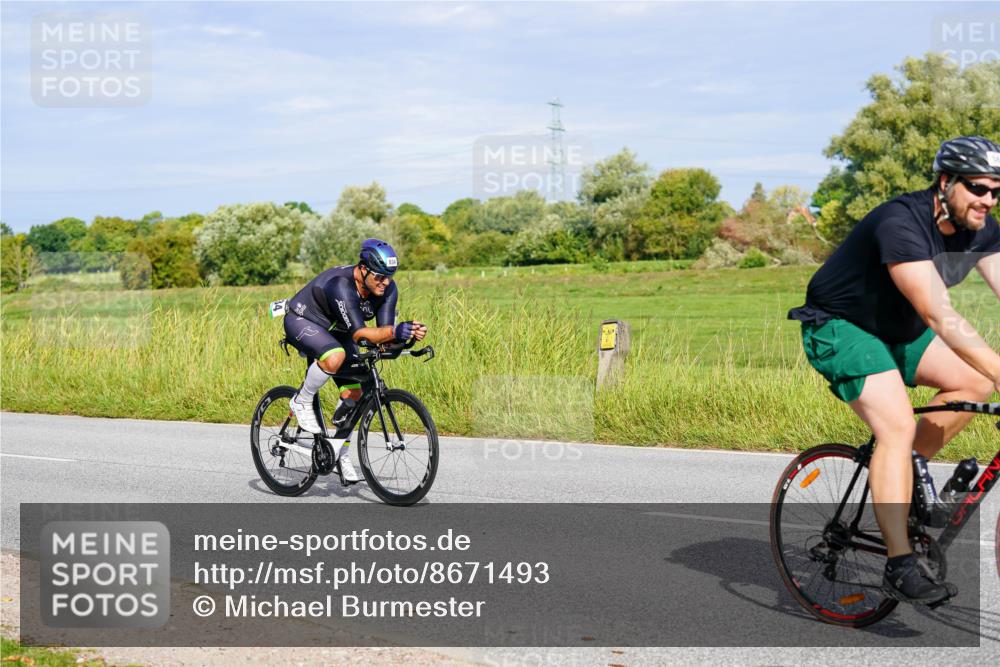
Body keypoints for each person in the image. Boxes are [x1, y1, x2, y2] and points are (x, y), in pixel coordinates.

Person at [788, 136, 1000, 605]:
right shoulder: (902, 222)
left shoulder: (982, 228)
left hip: (894, 330)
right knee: (898, 424)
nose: (987, 199)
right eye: (978, 188)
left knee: (975, 381)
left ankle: (905, 479)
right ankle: (899, 563)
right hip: (839, 327)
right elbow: (939, 315)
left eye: (995, 191)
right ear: (945, 183)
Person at [282, 238, 427, 482]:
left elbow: (382, 336)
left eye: (390, 276)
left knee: (356, 393)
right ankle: (301, 401)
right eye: (380, 276)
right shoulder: (341, 285)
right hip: (304, 321)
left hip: (338, 330)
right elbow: (360, 334)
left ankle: (339, 453)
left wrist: (408, 337)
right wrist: (394, 331)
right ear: (363, 269)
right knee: (335, 355)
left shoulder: (387, 289)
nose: (386, 282)